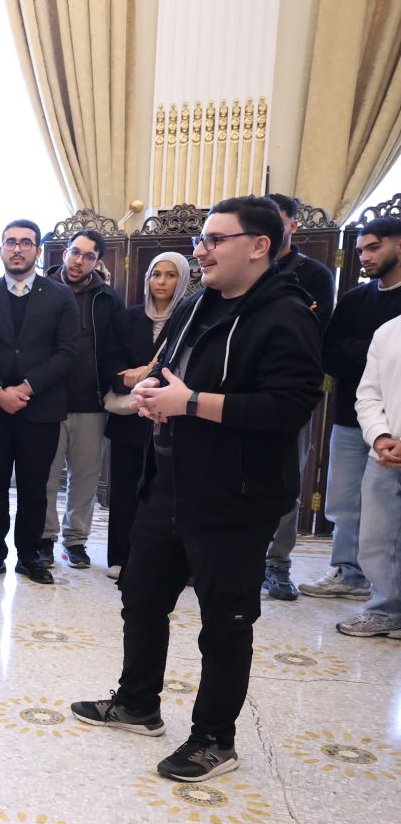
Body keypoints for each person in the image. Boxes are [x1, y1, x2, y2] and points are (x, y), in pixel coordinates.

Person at [72, 196, 323, 782]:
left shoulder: (287, 315)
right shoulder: (196, 303)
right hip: (169, 481)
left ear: (258, 246)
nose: (201, 251)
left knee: (225, 621)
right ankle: (137, 704)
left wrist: (190, 403)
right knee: (142, 596)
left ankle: (214, 740)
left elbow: (289, 407)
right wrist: (152, 393)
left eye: (214, 239)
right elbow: (168, 371)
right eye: (200, 241)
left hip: (236, 494)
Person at [0, 220, 78, 585]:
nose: (17, 249)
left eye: (25, 243)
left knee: (35, 488)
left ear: (38, 251)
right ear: (1, 249)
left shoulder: (61, 296)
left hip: (41, 409)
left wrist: (27, 388)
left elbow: (67, 352)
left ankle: (29, 556)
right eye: (10, 242)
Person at [301, 217, 401, 601]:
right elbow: (330, 355)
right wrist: (373, 351)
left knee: (386, 507)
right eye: (360, 251)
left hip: (395, 423)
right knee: (344, 502)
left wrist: (361, 349)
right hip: (350, 415)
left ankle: (387, 589)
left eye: (373, 247)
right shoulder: (355, 299)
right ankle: (348, 572)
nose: (365, 257)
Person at [261, 192, 338, 600]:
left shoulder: (314, 274)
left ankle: (277, 563)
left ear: (293, 224)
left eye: (276, 218)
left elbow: (311, 335)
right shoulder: (244, 266)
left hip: (288, 394)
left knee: (286, 477)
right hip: (236, 393)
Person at [102, 252, 192, 577]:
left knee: (166, 494)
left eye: (170, 275)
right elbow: (110, 361)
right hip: (129, 418)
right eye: (156, 274)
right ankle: (121, 556)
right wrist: (127, 378)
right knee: (124, 490)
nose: (162, 282)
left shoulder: (190, 318)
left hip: (170, 418)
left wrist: (148, 378)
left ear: (182, 280)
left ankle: (167, 562)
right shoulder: (128, 317)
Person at [42, 229, 124, 568]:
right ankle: (44, 538)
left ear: (97, 262)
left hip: (90, 403)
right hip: (46, 402)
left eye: (88, 256)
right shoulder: (41, 290)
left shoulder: (107, 298)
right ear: (64, 253)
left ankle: (75, 540)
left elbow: (115, 348)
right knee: (45, 476)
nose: (79, 261)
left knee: (85, 478)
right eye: (75, 252)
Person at [341, 307, 401, 636]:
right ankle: (385, 610)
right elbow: (368, 395)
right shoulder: (388, 331)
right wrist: (379, 437)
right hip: (386, 452)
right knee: (377, 537)